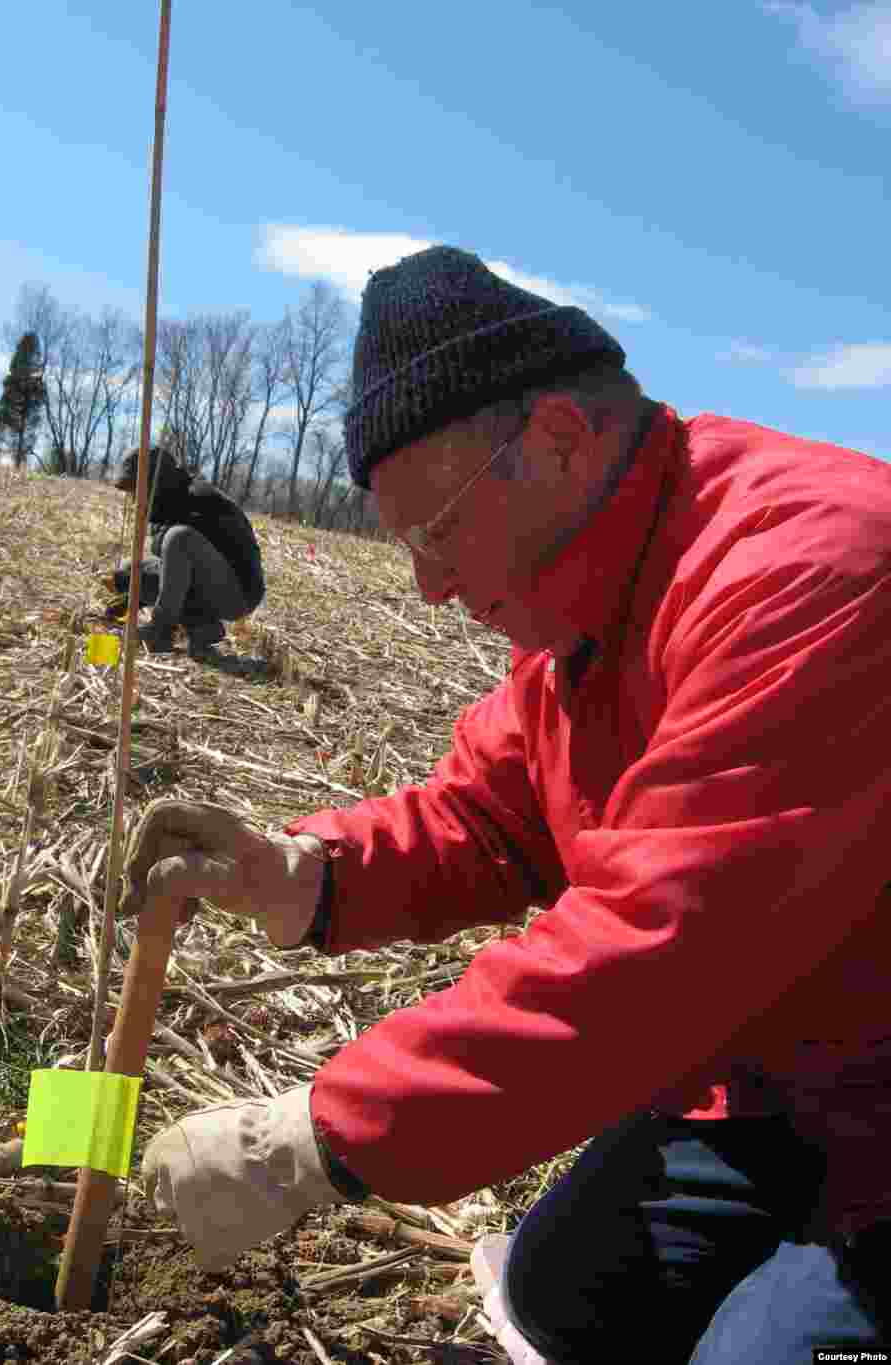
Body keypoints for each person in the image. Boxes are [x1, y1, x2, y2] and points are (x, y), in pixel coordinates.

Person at [120, 247, 890, 1363]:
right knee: (561, 1292)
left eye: (435, 534)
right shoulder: (584, 613)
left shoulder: (809, 575)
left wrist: (318, 1138)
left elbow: (657, 951)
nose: (429, 586)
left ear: (559, 441)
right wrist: (306, 871)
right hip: (785, 1079)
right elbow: (490, 814)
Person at [112, 445, 265, 660]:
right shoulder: (165, 503)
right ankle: (203, 626)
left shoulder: (197, 499)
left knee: (178, 538)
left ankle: (161, 630)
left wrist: (155, 602)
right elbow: (176, 574)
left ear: (155, 482)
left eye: (136, 491)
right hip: (207, 583)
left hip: (238, 592)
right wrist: (132, 597)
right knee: (131, 569)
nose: (134, 499)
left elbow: (183, 559)